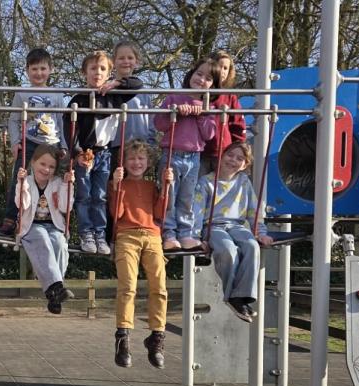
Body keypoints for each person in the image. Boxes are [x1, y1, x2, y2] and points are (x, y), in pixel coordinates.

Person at [67, 51, 141, 255]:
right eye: (93, 68)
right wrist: (77, 152)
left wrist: (116, 83)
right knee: (84, 195)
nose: (97, 73)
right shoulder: (79, 98)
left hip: (104, 153)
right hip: (85, 153)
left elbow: (137, 84)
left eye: (102, 69)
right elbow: (70, 129)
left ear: (109, 73)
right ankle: (86, 233)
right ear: (84, 73)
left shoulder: (114, 97)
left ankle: (100, 234)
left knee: (100, 196)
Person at [191, 142, 273, 322]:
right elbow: (197, 211)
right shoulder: (206, 182)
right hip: (213, 226)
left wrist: (260, 232)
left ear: (245, 165)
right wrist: (196, 237)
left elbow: (253, 210)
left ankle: (242, 297)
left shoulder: (243, 182)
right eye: (230, 155)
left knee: (252, 246)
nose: (233, 160)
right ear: (221, 156)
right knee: (228, 250)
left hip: (237, 225)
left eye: (239, 158)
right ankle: (232, 297)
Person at [108, 140, 172, 368]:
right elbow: (117, 214)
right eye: (132, 159)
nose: (137, 163)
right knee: (128, 286)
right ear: (124, 162)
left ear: (148, 162)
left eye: (141, 158)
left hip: (152, 235)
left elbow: (159, 213)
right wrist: (117, 187)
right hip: (127, 235)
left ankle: (156, 336)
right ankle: (123, 337)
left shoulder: (152, 186)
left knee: (159, 286)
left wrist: (166, 188)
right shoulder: (118, 184)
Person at [0, 48, 66, 236]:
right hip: (30, 141)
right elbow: (13, 119)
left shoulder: (57, 95)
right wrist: (15, 142)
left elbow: (61, 121)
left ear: (50, 69)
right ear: (27, 70)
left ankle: (51, 219)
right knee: (19, 178)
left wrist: (64, 145)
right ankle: (11, 219)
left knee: (53, 180)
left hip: (52, 143)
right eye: (34, 69)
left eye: (43, 69)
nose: (39, 73)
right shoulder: (22, 94)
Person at [154, 58, 218, 251]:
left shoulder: (208, 106)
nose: (201, 79)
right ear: (191, 73)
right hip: (172, 154)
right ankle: (169, 233)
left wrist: (201, 115)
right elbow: (159, 124)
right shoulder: (174, 98)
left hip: (194, 157)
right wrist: (175, 114)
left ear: (213, 85)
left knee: (187, 197)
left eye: (208, 78)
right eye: (199, 73)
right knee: (169, 194)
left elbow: (209, 134)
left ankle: (185, 233)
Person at [15, 144, 75, 314]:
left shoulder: (57, 183)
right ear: (33, 162)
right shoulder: (26, 181)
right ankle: (56, 288)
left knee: (59, 243)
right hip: (31, 225)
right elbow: (22, 204)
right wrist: (21, 185)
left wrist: (67, 186)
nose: (46, 169)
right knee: (41, 237)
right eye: (42, 164)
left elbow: (64, 207)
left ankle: (54, 294)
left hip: (54, 225)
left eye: (51, 166)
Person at [101, 40, 157, 146]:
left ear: (136, 62)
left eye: (130, 58)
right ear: (113, 61)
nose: (126, 61)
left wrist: (150, 142)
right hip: (114, 145)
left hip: (139, 146)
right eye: (121, 58)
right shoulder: (107, 87)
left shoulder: (143, 92)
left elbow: (150, 119)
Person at [201, 50, 246, 174]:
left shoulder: (229, 96)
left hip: (223, 152)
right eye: (219, 66)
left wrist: (239, 148)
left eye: (226, 68)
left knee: (221, 182)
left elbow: (237, 124)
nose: (222, 71)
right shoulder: (201, 92)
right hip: (200, 152)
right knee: (200, 183)